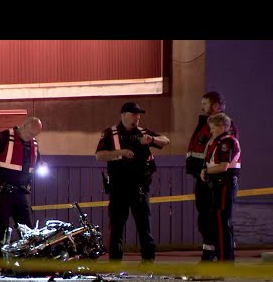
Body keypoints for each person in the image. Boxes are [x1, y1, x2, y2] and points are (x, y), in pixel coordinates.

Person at [95, 102, 170, 262]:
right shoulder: (110, 133)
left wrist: (151, 140)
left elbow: (165, 141)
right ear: (123, 115)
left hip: (140, 186)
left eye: (138, 115)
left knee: (144, 225)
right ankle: (115, 260)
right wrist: (120, 153)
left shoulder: (143, 132)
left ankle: (148, 259)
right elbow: (99, 155)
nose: (137, 118)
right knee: (116, 226)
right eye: (133, 114)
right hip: (118, 186)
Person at [185, 91, 239, 261]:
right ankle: (210, 253)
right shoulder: (207, 126)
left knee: (220, 220)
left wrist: (206, 171)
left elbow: (223, 163)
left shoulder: (225, 131)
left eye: (205, 103)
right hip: (206, 179)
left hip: (218, 181)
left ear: (216, 105)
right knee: (206, 219)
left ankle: (224, 256)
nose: (202, 106)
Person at [0, 116, 45, 246]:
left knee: (28, 230)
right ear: (24, 126)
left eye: (35, 135)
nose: (32, 137)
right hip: (2, 191)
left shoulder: (33, 144)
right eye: (31, 133)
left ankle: (26, 261)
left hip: (22, 192)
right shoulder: (5, 137)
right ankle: (4, 261)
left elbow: (37, 163)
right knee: (2, 229)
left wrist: (42, 166)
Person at [200, 113, 241, 261]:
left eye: (213, 128)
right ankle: (221, 257)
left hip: (223, 185)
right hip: (217, 185)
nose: (211, 131)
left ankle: (225, 260)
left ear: (222, 127)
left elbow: (223, 167)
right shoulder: (217, 142)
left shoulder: (227, 142)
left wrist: (205, 171)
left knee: (222, 222)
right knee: (217, 222)